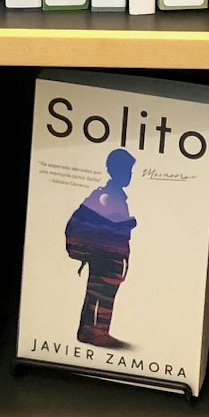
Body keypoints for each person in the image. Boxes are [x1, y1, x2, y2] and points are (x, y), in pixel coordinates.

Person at [64, 147, 136, 347]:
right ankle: (92, 332)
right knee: (100, 294)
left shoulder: (113, 195)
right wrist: (127, 223)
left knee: (102, 294)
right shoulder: (107, 196)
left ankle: (96, 331)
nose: (130, 175)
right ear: (118, 170)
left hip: (109, 257)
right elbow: (108, 224)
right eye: (128, 170)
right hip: (106, 257)